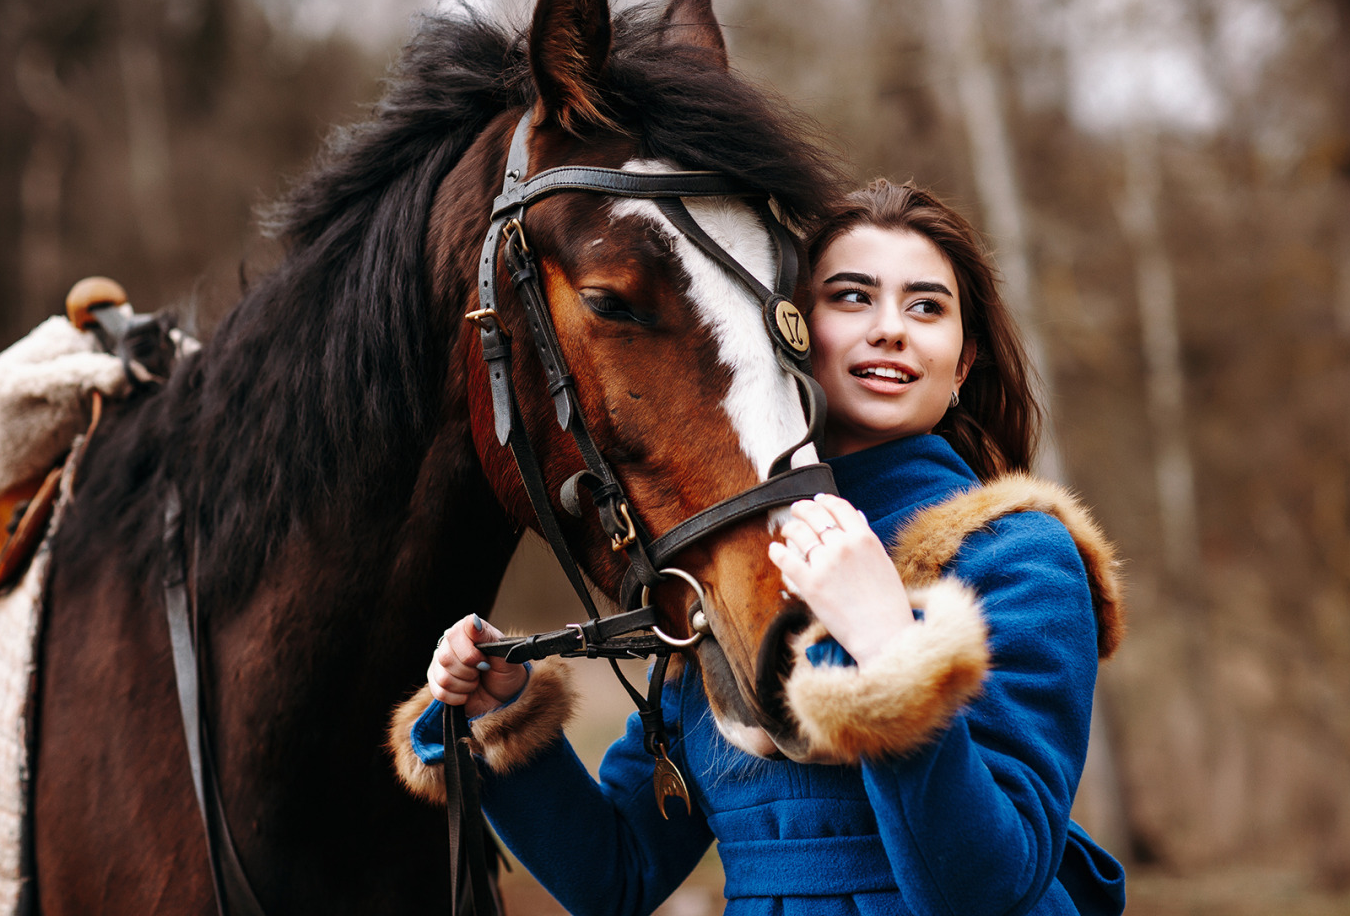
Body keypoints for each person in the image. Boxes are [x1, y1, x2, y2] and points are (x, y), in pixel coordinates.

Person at [390, 179, 1127, 915]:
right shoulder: (723, 558)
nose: (892, 328)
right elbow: (616, 876)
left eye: (927, 307)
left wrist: (887, 647)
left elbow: (986, 887)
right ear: (787, 332)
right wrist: (504, 713)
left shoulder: (1020, 554)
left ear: (963, 363)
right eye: (851, 296)